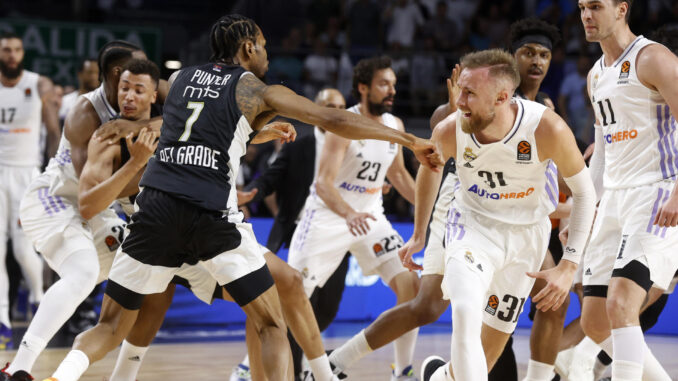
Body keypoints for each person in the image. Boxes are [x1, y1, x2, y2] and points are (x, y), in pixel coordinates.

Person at [43, 14, 440, 381]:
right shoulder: (253, 87)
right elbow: (332, 120)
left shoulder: (180, 79)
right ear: (248, 48)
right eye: (264, 45)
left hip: (155, 212)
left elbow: (196, 122)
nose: (267, 53)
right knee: (270, 324)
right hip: (208, 217)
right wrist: (409, 139)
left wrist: (149, 124)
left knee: (109, 327)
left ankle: (60, 376)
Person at [417, 49, 596, 381]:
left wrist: (569, 264)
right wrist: (418, 232)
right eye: (460, 90)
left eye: (469, 93)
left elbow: (585, 192)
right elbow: (428, 168)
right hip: (471, 226)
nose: (459, 101)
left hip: (526, 238)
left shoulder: (546, 127)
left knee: (486, 352)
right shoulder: (450, 128)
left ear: (501, 97)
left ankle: (441, 377)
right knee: (466, 309)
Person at [0, 41, 149, 381]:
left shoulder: (145, 100)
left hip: (100, 210)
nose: (143, 80)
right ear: (116, 75)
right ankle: (19, 368)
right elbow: (89, 193)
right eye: (135, 73)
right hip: (58, 199)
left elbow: (191, 112)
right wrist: (141, 171)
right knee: (81, 272)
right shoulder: (87, 111)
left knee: (143, 256)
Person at [288, 55, 421, 381]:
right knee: (294, 297)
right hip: (328, 215)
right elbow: (323, 183)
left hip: (371, 217)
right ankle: (268, 366)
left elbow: (400, 176)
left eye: (393, 83)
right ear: (363, 87)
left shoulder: (395, 126)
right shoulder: (342, 124)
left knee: (412, 288)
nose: (391, 90)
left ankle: (402, 370)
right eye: (383, 84)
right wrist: (348, 213)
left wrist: (431, 208)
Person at [576, 0, 678, 380]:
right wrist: (583, 213)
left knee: (621, 302)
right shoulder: (595, 75)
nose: (587, 15)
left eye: (596, 6)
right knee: (594, 322)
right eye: (583, 7)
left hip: (656, 192)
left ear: (621, 9)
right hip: (615, 199)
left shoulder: (652, 58)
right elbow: (602, 152)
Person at [231, 88, 350, 381]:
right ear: (318, 110)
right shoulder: (301, 144)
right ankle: (276, 369)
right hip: (299, 231)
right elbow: (273, 175)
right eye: (330, 106)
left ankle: (291, 365)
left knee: (328, 308)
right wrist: (251, 194)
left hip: (337, 233)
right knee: (294, 303)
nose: (336, 111)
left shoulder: (350, 142)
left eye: (341, 106)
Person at [0, 31, 60, 350]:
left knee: (24, 250)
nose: (11, 54)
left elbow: (53, 131)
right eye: (6, 50)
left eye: (16, 50)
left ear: (23, 54)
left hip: (27, 174)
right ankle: (3, 323)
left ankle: (37, 298)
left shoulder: (39, 84)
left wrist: (51, 174)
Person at [59, 59, 100, 126]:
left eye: (98, 73)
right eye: (90, 72)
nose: (94, 77)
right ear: (79, 74)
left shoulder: (106, 102)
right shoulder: (65, 101)